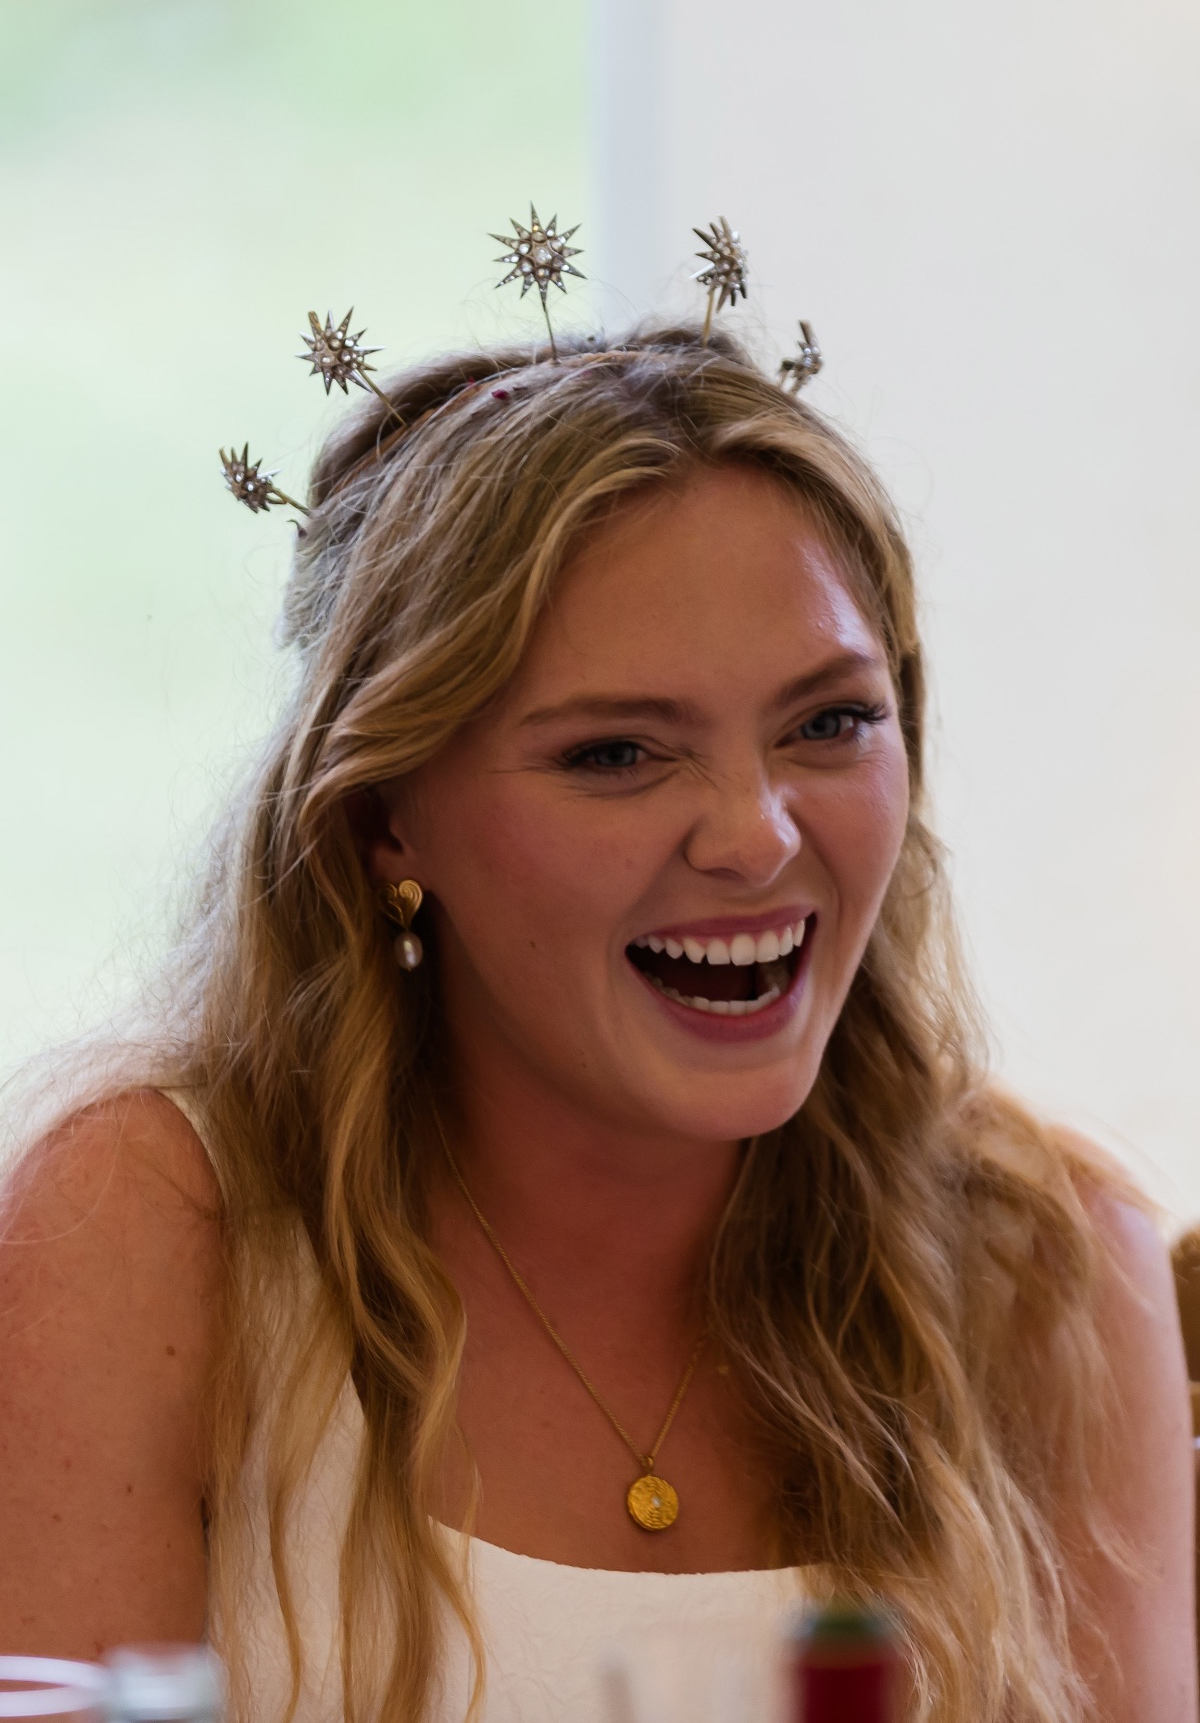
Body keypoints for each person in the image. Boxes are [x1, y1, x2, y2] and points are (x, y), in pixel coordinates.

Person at [0, 325, 1193, 1723]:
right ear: (384, 819)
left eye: (828, 724)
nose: (757, 837)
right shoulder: (152, 1224)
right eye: (617, 752)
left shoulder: (1044, 1272)